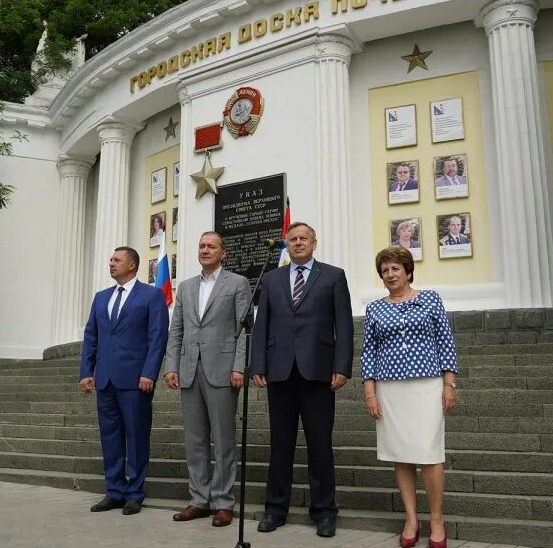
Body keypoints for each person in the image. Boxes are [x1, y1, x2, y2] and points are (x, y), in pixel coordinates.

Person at [250, 222, 354, 538]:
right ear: (287, 245)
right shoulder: (271, 279)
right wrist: (258, 364)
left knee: (320, 446)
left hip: (318, 373)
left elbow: (344, 325)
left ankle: (324, 512)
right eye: (292, 239)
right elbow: (261, 324)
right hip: (280, 372)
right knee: (280, 445)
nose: (297, 243)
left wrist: (342, 367)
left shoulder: (333, 276)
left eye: (303, 238)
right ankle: (275, 509)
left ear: (314, 243)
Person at [361, 247, 458, 548]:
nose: (390, 275)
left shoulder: (430, 299)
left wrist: (449, 384)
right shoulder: (375, 309)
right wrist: (369, 393)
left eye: (395, 269)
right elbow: (368, 352)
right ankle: (411, 519)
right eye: (385, 271)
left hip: (427, 386)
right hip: (389, 390)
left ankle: (437, 519)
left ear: (407, 271)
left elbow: (445, 341)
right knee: (400, 456)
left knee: (429, 455)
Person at [164, 232, 252, 528]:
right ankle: (199, 499)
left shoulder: (238, 284)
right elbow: (176, 330)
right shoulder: (186, 287)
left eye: (211, 246)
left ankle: (223, 502)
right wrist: (171, 366)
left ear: (223, 253)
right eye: (201, 246)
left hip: (223, 370)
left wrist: (240, 366)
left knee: (224, 440)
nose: (205, 250)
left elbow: (244, 330)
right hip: (189, 370)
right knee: (195, 441)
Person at [80, 246, 169, 516]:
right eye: (110, 260)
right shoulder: (101, 298)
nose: (111, 263)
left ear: (132, 265)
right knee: (110, 438)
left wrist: (150, 373)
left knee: (136, 436)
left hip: (135, 380)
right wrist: (86, 372)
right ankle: (114, 491)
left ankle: (134, 493)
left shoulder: (152, 296)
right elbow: (91, 337)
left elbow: (157, 337)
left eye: (116, 260)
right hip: (105, 379)